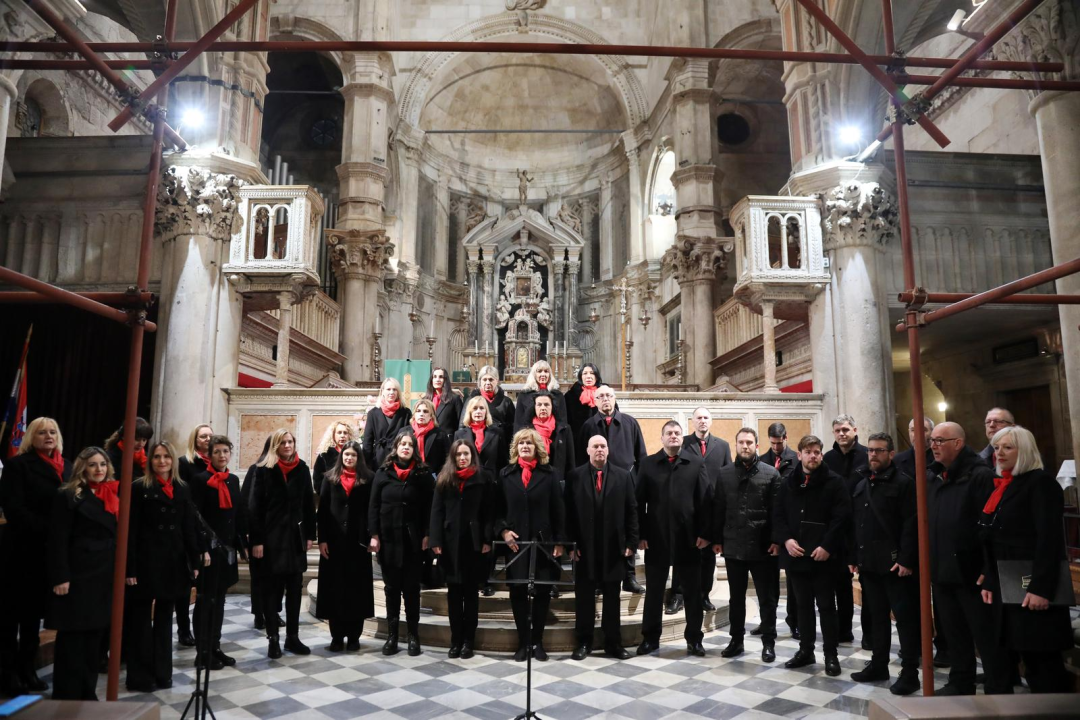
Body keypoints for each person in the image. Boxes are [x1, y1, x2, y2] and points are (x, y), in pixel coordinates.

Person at [980, 425, 1073, 694]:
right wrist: (988, 576)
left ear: (1025, 451)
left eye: (1008, 447)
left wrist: (1040, 589)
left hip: (1031, 584)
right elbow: (993, 534)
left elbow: (1049, 541)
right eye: (997, 448)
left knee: (1042, 661)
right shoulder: (1007, 484)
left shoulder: (1040, 483)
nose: (999, 453)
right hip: (1008, 582)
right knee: (1019, 653)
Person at [926, 421, 1011, 695]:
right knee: (953, 631)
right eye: (933, 440)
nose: (934, 445)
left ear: (958, 443)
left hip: (972, 570)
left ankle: (999, 684)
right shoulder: (935, 475)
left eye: (940, 440)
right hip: (942, 569)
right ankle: (960, 680)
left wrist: (988, 567)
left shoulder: (979, 475)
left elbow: (988, 525)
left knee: (984, 633)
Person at [125, 441, 203, 693]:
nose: (162, 461)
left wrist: (194, 561)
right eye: (157, 457)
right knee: (140, 622)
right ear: (150, 461)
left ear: (173, 461)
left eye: (166, 457)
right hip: (145, 562)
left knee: (163, 621)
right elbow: (131, 531)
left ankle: (162, 673)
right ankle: (140, 676)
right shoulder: (139, 488)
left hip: (173, 561)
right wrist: (130, 568)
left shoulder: (182, 488)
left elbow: (188, 527)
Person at [0, 417, 70, 695]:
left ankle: (28, 669)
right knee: (9, 618)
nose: (48, 436)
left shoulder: (67, 467)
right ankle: (7, 674)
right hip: (19, 552)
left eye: (53, 431)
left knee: (32, 618)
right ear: (31, 436)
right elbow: (14, 509)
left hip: (47, 555)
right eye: (42, 432)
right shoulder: (18, 466)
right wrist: (52, 529)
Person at [848, 433, 921, 695]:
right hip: (870, 565)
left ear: (891, 454)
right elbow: (858, 524)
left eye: (879, 451)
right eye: (870, 451)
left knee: (905, 621)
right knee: (877, 618)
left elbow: (912, 524)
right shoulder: (862, 483)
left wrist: (906, 560)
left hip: (896, 567)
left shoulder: (904, 484)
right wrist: (854, 558)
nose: (873, 455)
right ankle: (879, 665)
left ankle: (910, 672)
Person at [774, 434, 850, 677]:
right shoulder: (788, 482)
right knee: (803, 607)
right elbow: (779, 516)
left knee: (827, 607)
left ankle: (831, 655)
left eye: (817, 451)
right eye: (808, 452)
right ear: (800, 455)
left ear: (821, 453)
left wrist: (827, 546)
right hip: (797, 556)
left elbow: (842, 518)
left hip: (824, 558)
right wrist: (786, 540)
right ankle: (806, 651)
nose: (813, 455)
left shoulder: (834, 482)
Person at [47, 447, 118, 701]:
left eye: (102, 464)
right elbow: (58, 539)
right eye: (92, 465)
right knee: (72, 639)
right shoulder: (68, 495)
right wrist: (60, 576)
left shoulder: (111, 494)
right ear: (82, 468)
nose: (98, 469)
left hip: (103, 576)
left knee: (94, 638)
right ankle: (67, 694)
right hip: (78, 575)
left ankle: (87, 692)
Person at [635, 421, 711, 657]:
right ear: (662, 438)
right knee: (655, 592)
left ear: (682, 438)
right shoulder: (648, 464)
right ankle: (650, 638)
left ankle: (694, 640)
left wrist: (704, 534)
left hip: (688, 539)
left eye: (677, 433)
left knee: (691, 593)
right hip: (656, 538)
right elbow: (639, 503)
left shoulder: (696, 463)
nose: (674, 436)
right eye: (669, 433)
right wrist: (641, 535)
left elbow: (705, 502)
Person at [496, 429, 566, 662]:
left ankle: (538, 641)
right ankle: (523, 642)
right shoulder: (505, 474)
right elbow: (497, 510)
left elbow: (559, 509)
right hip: (516, 545)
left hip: (543, 543)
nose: (525, 446)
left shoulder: (550, 474)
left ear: (538, 447)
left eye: (529, 443)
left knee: (543, 592)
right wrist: (504, 531)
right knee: (517, 592)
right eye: (521, 443)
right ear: (516, 448)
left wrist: (559, 541)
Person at [712, 428, 781, 664]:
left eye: (749, 442)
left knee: (767, 598)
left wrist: (776, 540)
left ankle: (769, 643)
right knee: (736, 598)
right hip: (734, 546)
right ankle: (736, 640)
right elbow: (718, 508)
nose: (745, 446)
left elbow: (777, 512)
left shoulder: (771, 474)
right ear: (736, 444)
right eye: (741, 442)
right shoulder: (724, 474)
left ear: (756, 446)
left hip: (763, 548)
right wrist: (717, 540)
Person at [566, 435, 638, 661]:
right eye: (595, 446)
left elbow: (632, 510)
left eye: (603, 446)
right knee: (584, 597)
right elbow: (566, 512)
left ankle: (613, 643)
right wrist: (570, 544)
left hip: (613, 547)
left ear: (608, 450)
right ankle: (584, 642)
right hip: (584, 548)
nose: (599, 449)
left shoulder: (623, 476)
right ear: (587, 450)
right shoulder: (574, 476)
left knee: (612, 598)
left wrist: (631, 542)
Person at [249, 429, 316, 659]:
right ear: (275, 446)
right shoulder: (263, 469)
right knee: (271, 590)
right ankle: (273, 639)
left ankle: (292, 638)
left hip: (295, 539)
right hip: (271, 539)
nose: (287, 445)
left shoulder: (302, 469)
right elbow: (255, 508)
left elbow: (309, 504)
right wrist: (256, 540)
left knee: (295, 591)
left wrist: (310, 535)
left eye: (290, 442)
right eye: (283, 442)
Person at [369, 431, 434, 657]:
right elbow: (374, 506)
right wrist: (374, 534)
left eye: (409, 444)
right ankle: (392, 636)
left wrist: (428, 533)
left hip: (414, 541)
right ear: (395, 447)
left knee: (411, 590)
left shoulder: (423, 474)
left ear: (414, 449)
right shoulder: (383, 473)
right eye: (402, 444)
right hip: (388, 541)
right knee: (391, 590)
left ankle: (413, 636)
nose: (405, 447)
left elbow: (430, 508)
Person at [430, 440, 495, 659]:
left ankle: (469, 641)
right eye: (458, 455)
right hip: (449, 544)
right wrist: (436, 540)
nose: (462, 458)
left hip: (474, 543)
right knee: (454, 595)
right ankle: (455, 640)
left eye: (466, 454)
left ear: (472, 455)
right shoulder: (444, 479)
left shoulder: (483, 479)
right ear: (453, 457)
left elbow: (489, 512)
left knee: (471, 594)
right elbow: (436, 512)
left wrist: (487, 539)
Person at [580, 385, 647, 594]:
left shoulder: (630, 422)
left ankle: (629, 577)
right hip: (598, 486)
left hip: (626, 485)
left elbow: (641, 456)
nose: (605, 399)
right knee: (601, 534)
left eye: (609, 395)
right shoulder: (589, 425)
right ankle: (600, 579)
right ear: (595, 401)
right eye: (600, 396)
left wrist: (639, 482)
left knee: (627, 530)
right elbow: (582, 458)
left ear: (614, 398)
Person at [189, 435, 246, 670]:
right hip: (209, 552)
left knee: (220, 601)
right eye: (217, 452)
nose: (222, 455)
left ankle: (215, 646)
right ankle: (202, 652)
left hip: (227, 551)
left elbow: (236, 514)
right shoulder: (200, 480)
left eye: (226, 451)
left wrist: (241, 544)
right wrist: (203, 549)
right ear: (209, 455)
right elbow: (195, 518)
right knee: (205, 600)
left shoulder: (232, 480)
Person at [315, 440, 375, 652]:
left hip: (358, 542)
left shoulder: (368, 479)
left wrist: (373, 536)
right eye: (346, 455)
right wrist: (322, 539)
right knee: (335, 589)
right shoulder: (330, 478)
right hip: (334, 542)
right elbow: (322, 512)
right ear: (341, 457)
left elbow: (371, 510)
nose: (349, 458)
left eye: (353, 455)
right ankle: (336, 636)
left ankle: (354, 636)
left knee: (356, 590)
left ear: (359, 458)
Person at [670, 407, 732, 615]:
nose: (702, 421)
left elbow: (727, 476)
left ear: (711, 421)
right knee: (681, 552)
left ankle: (704, 594)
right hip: (687, 508)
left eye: (706, 417)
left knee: (708, 556)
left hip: (712, 509)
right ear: (692, 421)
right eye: (699, 418)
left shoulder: (722, 446)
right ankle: (677, 595)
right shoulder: (683, 443)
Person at [822, 414, 867, 646]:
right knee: (838, 582)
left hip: (861, 528)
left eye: (846, 429)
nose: (842, 433)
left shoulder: (867, 455)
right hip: (835, 530)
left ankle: (868, 635)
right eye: (838, 430)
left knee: (865, 586)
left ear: (855, 430)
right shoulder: (827, 458)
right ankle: (842, 630)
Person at [455, 396, 506, 598]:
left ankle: (485, 579)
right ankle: (468, 576)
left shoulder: (497, 432)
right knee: (468, 533)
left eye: (481, 409)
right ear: (469, 411)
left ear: (487, 412)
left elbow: (502, 461)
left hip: (489, 486)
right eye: (474, 408)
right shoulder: (460, 433)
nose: (478, 411)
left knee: (487, 532)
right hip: (466, 488)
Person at [759, 422, 799, 639]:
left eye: (779, 442)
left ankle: (795, 622)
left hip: (788, 528)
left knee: (792, 582)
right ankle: (768, 622)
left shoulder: (795, 459)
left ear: (786, 437)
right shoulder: (762, 460)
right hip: (767, 530)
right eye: (772, 443)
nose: (776, 447)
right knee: (768, 581)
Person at [176, 423, 213, 653]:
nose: (208, 439)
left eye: (210, 435)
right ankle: (183, 628)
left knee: (205, 584)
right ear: (195, 439)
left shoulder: (216, 462)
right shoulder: (185, 462)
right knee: (187, 583)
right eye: (203, 436)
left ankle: (203, 627)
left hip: (210, 527)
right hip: (190, 523)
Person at [239, 436, 278, 631]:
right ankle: (259, 613)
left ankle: (272, 612)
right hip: (258, 534)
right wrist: (250, 534)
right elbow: (248, 502)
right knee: (259, 576)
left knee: (275, 578)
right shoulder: (257, 469)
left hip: (277, 536)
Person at [518, 391, 575, 479]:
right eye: (539, 405)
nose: (543, 408)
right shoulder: (525, 430)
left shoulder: (564, 429)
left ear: (552, 407)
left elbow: (570, 460)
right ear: (534, 407)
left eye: (546, 404)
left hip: (557, 478)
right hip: (533, 478)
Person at [363, 378, 413, 470]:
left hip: (399, 459)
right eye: (388, 389)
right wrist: (366, 464)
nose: (391, 392)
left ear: (398, 393)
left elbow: (410, 438)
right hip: (379, 460)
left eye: (394, 389)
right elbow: (367, 442)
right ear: (382, 391)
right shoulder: (373, 414)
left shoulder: (405, 413)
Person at [459, 365, 515, 432]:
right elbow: (463, 424)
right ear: (480, 381)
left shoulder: (506, 402)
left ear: (497, 381)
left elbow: (512, 425)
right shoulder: (471, 400)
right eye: (484, 379)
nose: (488, 383)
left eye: (491, 379)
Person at [514, 360, 567, 427]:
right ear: (534, 374)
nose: (543, 374)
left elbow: (563, 420)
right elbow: (518, 421)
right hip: (530, 434)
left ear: (550, 375)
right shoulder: (524, 394)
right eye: (539, 371)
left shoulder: (557, 395)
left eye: (546, 371)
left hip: (554, 434)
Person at [104, 417, 154, 487]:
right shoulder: (110, 457)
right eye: (137, 439)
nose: (141, 444)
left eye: (144, 440)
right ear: (124, 436)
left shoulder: (147, 457)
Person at [563, 363, 602, 449]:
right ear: (581, 376)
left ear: (596, 376)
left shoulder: (605, 394)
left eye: (592, 373)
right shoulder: (570, 396)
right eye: (585, 373)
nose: (588, 376)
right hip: (577, 442)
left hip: (600, 441)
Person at [312, 421, 355, 497]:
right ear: (333, 435)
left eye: (345, 433)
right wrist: (324, 493)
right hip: (331, 497)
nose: (342, 436)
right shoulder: (324, 454)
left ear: (349, 435)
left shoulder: (355, 454)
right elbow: (317, 478)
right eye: (339, 432)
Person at [409, 398, 451, 476]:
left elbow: (448, 458)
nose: (421, 414)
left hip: (432, 477)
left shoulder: (440, 434)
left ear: (431, 416)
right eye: (418, 411)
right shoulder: (405, 432)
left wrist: (439, 476)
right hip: (409, 476)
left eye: (425, 411)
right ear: (414, 414)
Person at [894, 417, 935, 481]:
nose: (918, 434)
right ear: (909, 432)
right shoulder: (897, 460)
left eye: (924, 430)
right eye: (913, 430)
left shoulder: (940, 459)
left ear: (932, 432)